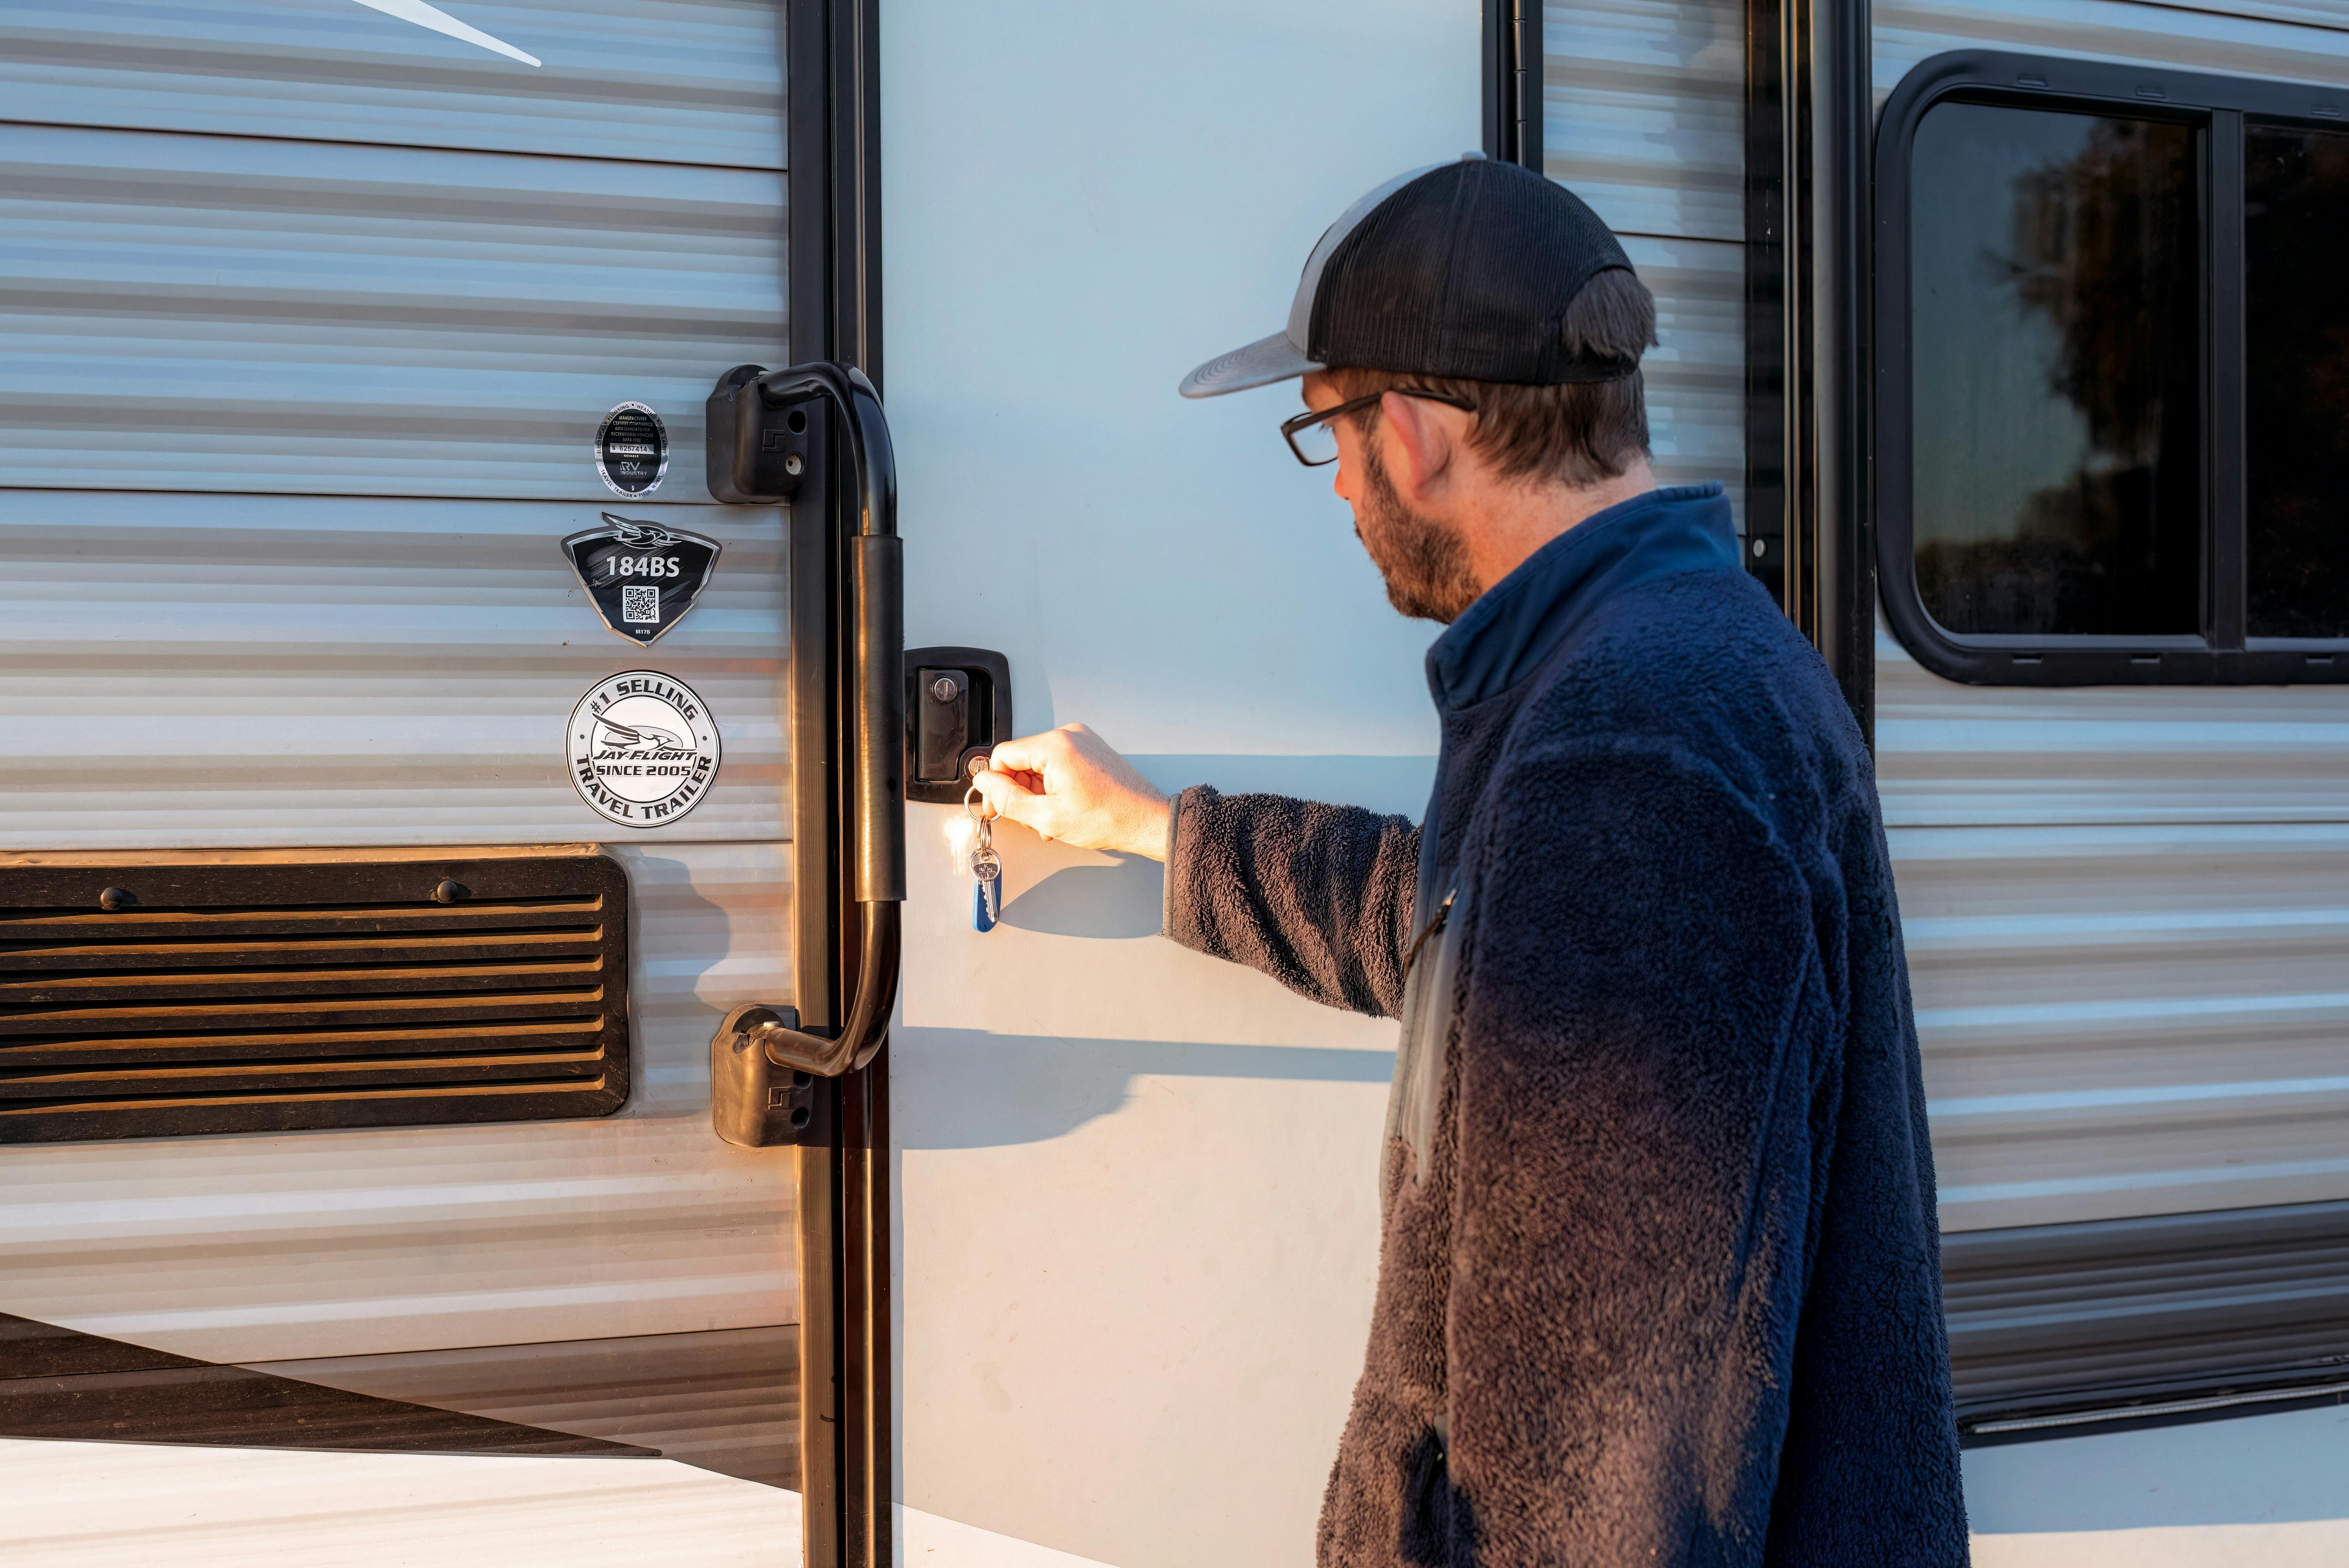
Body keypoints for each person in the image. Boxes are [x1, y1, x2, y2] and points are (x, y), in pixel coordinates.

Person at [972, 156, 1969, 1566]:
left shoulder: (1630, 745)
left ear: (1421, 431)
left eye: (1327, 435)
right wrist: (1157, 828)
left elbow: (1606, 1468)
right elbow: (1471, 934)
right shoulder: (1660, 661)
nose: (1336, 496)